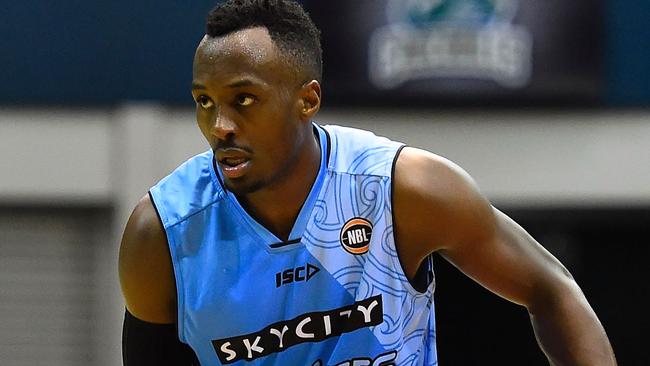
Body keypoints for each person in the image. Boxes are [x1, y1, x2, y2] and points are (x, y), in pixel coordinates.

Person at [118, 0, 617, 365]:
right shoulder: (161, 233)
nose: (219, 124)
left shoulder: (402, 190)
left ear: (308, 100)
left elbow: (552, 290)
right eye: (204, 101)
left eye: (243, 99)